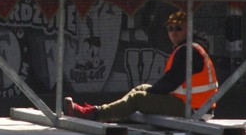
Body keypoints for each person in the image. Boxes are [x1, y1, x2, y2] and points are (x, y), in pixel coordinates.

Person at [63, 10, 218, 122]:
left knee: (138, 98)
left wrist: (150, 93)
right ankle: (110, 114)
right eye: (170, 29)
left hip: (195, 110)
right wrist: (149, 91)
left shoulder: (189, 51)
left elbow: (170, 82)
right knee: (141, 88)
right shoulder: (189, 48)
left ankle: (93, 114)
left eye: (178, 28)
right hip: (193, 105)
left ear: (189, 29)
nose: (173, 33)